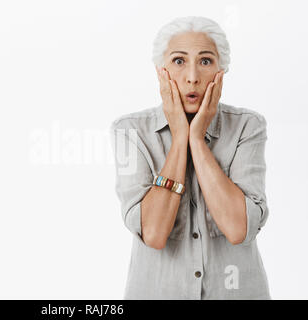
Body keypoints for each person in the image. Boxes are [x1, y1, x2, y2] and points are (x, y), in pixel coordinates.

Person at [110, 16, 270, 299]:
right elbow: (155, 234)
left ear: (221, 70)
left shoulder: (248, 126)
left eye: (206, 61)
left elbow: (237, 228)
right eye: (179, 61)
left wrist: (196, 140)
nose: (193, 76)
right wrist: (179, 139)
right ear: (162, 71)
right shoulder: (130, 131)